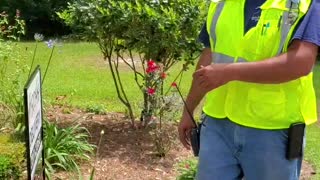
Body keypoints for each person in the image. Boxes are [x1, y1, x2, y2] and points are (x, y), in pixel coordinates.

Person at [178, 0, 320, 179]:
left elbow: (300, 62)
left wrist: (229, 72)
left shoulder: (303, 3)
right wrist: (188, 109)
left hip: (273, 130)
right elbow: (210, 55)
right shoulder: (222, 3)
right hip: (218, 124)